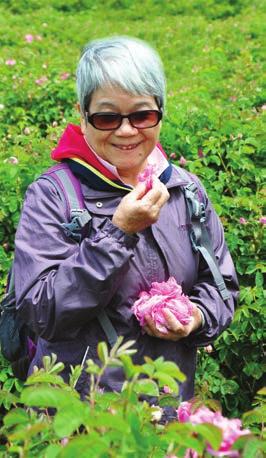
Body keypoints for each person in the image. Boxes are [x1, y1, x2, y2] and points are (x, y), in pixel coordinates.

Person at [14, 36, 239, 402]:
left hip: (167, 412)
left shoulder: (186, 191)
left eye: (142, 114)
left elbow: (222, 289)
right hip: (82, 421)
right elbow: (41, 311)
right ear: (83, 116)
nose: (125, 130)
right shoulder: (53, 195)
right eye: (106, 117)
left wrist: (195, 317)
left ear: (160, 112)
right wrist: (119, 233)